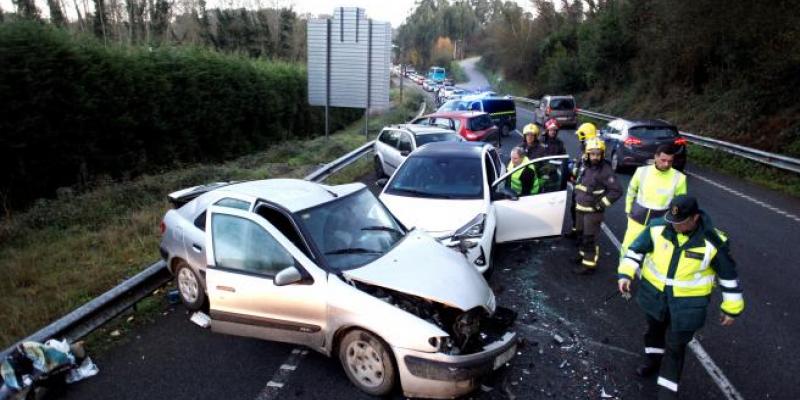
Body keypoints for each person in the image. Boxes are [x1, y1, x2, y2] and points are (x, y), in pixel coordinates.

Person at [618, 195, 744, 399]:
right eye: (672, 221)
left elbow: (728, 276)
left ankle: (667, 393)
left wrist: (732, 308)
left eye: (681, 222)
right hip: (655, 298)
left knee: (676, 347)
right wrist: (626, 274)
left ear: (695, 218)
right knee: (654, 334)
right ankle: (652, 360)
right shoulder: (657, 228)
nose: (674, 226)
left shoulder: (714, 241)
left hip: (687, 307)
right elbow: (634, 251)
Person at [620, 145, 687, 259]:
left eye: (670, 161)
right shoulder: (641, 171)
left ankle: (645, 275)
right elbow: (631, 191)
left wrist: (675, 223)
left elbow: (680, 204)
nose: (666, 164)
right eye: (663, 160)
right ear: (656, 157)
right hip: (637, 218)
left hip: (660, 223)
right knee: (628, 248)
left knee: (653, 253)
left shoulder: (679, 178)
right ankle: (623, 274)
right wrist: (628, 209)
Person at [572, 137, 621, 274]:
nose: (595, 157)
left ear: (602, 154)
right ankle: (582, 255)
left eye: (598, 154)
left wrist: (601, 204)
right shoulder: (585, 165)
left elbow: (616, 191)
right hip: (581, 208)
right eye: (592, 154)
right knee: (581, 234)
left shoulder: (605, 170)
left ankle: (589, 264)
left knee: (589, 238)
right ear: (587, 154)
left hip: (593, 212)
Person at [566, 122, 600, 239]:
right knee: (574, 211)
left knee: (585, 218)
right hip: (579, 190)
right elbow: (581, 167)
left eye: (580, 137)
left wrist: (574, 172)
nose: (579, 140)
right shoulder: (586, 150)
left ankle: (582, 239)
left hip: (587, 194)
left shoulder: (593, 152)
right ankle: (576, 231)